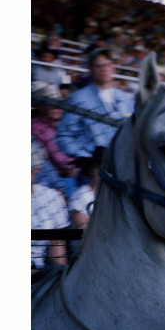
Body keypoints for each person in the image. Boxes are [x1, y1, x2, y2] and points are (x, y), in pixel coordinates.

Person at [56, 50, 134, 183]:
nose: (104, 69)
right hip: (91, 171)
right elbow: (64, 135)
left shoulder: (124, 98)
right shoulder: (79, 97)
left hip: (119, 167)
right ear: (91, 69)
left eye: (108, 65)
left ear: (113, 68)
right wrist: (83, 157)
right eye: (99, 66)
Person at [31, 140, 69, 273]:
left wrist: (61, 275)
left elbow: (56, 242)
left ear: (38, 170)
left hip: (40, 271)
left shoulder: (51, 197)